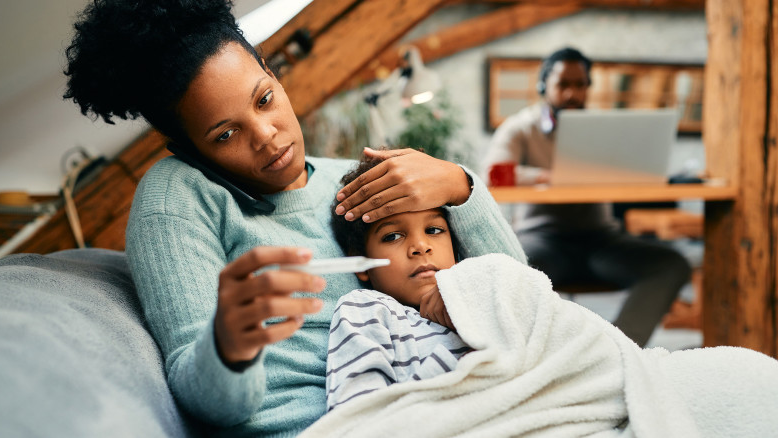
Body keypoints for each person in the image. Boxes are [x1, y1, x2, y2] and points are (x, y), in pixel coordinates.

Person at [62, 1, 525, 436]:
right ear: (186, 147)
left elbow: (523, 305)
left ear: (274, 75)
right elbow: (207, 397)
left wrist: (460, 187)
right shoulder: (179, 196)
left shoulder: (351, 182)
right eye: (225, 134)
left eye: (264, 100)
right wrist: (228, 346)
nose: (266, 136)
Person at [480, 47, 691, 347]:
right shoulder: (520, 128)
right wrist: (549, 177)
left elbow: (635, 170)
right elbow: (494, 174)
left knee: (672, 265)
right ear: (543, 87)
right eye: (563, 85)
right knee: (509, 270)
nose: (572, 94)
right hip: (542, 241)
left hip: (602, 242)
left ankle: (615, 349)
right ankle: (532, 355)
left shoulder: (605, 129)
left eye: (580, 85)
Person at [326, 157, 472, 411]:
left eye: (434, 230)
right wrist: (466, 368)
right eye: (393, 236)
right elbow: (355, 416)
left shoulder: (478, 292)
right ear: (361, 261)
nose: (420, 246)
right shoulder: (367, 310)